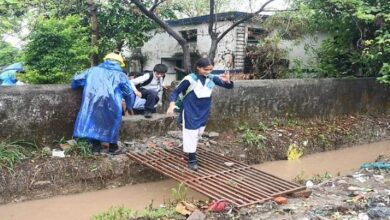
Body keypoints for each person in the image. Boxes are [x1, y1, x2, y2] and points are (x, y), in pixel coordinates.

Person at [166, 58, 234, 171]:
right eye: (206, 69)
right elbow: (175, 92)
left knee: (199, 133)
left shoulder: (211, 78)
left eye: (210, 69)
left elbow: (228, 87)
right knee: (191, 133)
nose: (208, 72)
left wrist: (227, 81)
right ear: (198, 67)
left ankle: (189, 150)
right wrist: (171, 105)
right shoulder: (189, 79)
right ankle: (192, 160)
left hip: (203, 110)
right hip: (190, 109)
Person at [71, 52, 135, 155]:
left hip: (92, 102)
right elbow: (129, 93)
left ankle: (95, 148)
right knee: (112, 125)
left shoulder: (92, 70)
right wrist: (128, 106)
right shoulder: (121, 75)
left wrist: (76, 85)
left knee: (94, 122)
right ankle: (113, 148)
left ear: (105, 60)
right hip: (113, 105)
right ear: (119, 64)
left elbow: (76, 80)